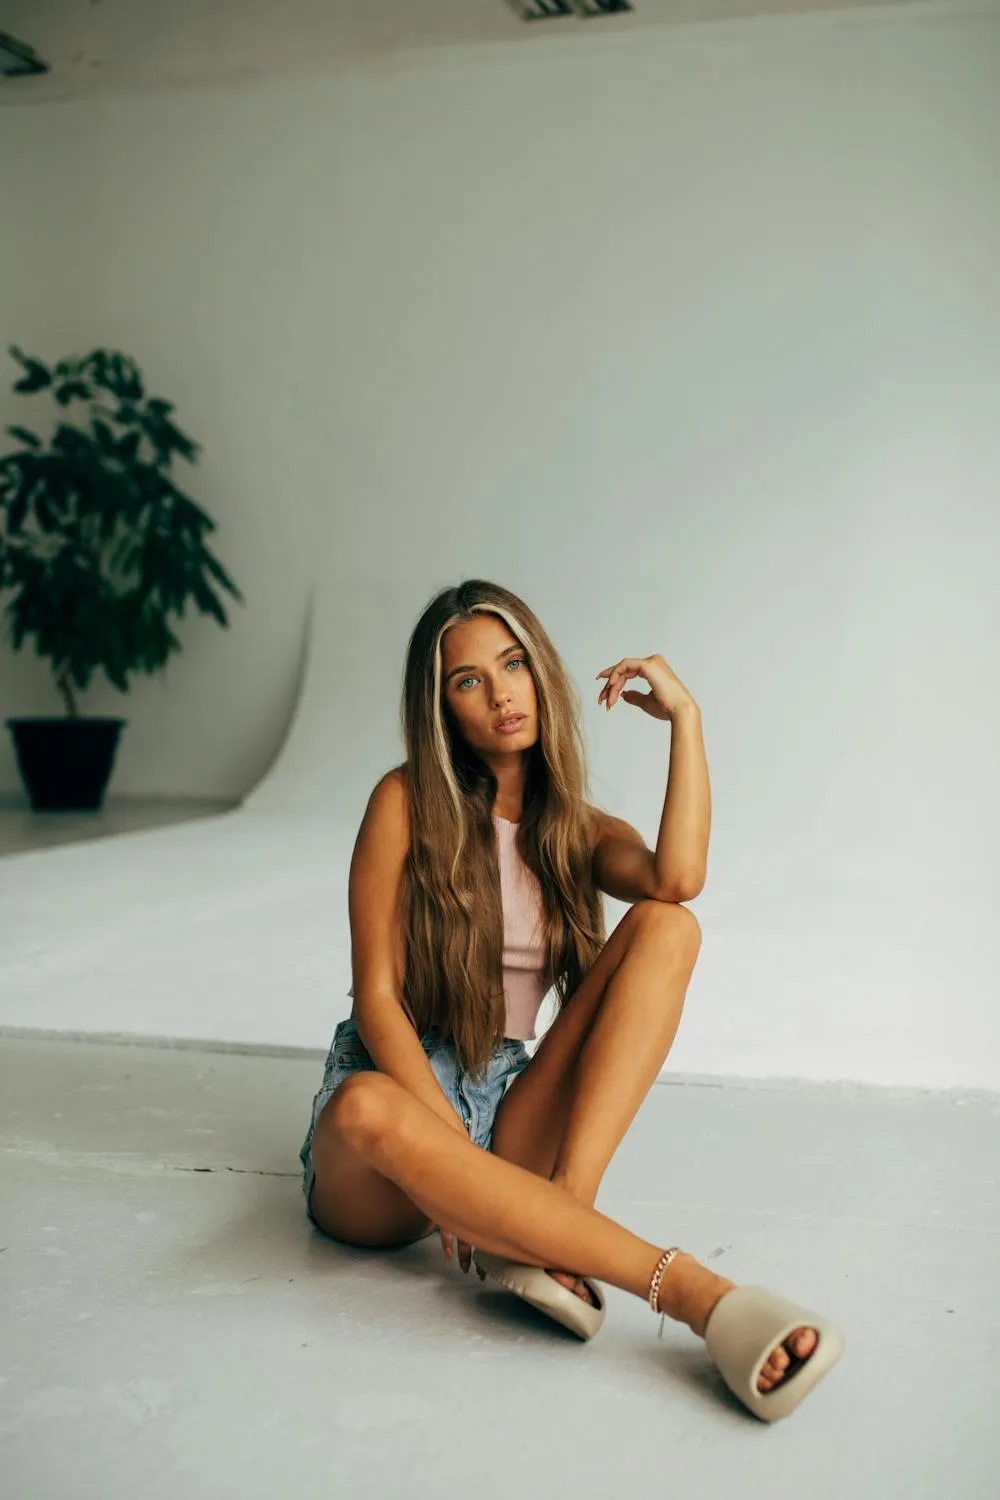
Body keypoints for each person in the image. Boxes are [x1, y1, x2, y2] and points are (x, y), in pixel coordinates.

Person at [298, 579, 843, 1422]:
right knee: (367, 1104)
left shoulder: (574, 829)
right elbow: (377, 1000)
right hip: (393, 1114)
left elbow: (677, 879)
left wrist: (686, 717)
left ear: (541, 672)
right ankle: (701, 1298)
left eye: (512, 664)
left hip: (504, 1097)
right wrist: (457, 1158)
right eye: (468, 680)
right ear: (441, 707)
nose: (500, 693)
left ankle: (561, 1212)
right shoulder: (402, 803)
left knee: (668, 927)